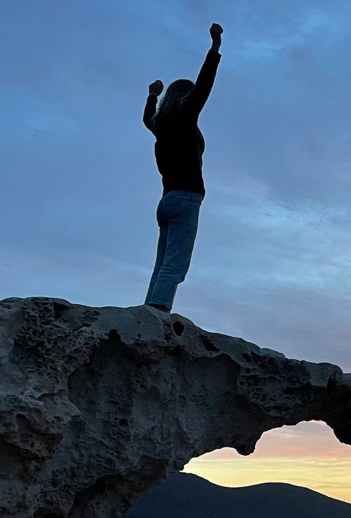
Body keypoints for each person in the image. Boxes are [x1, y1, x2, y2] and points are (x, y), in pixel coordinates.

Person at [142, 23, 223, 312]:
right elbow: (204, 86)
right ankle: (159, 312)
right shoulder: (185, 119)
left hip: (166, 201)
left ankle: (149, 312)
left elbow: (147, 120)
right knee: (175, 266)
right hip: (186, 199)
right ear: (185, 99)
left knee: (163, 264)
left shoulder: (161, 127)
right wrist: (214, 48)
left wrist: (152, 97)